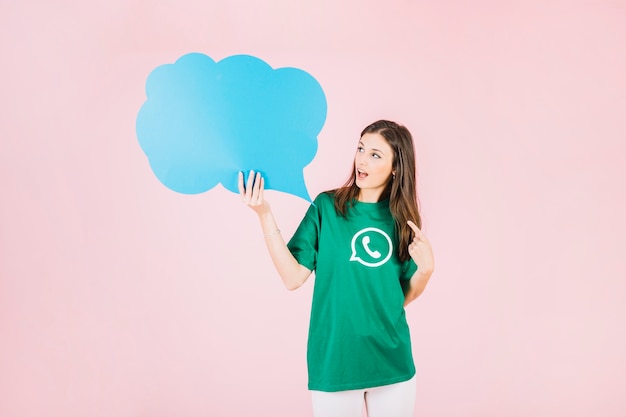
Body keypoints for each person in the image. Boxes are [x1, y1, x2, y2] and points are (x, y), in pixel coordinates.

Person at [238, 120, 434, 417]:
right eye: (360, 149)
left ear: (396, 167)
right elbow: (293, 278)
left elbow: (400, 297)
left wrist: (426, 271)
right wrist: (264, 214)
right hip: (334, 361)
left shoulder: (403, 221)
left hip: (392, 363)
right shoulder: (326, 207)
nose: (362, 160)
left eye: (375, 155)